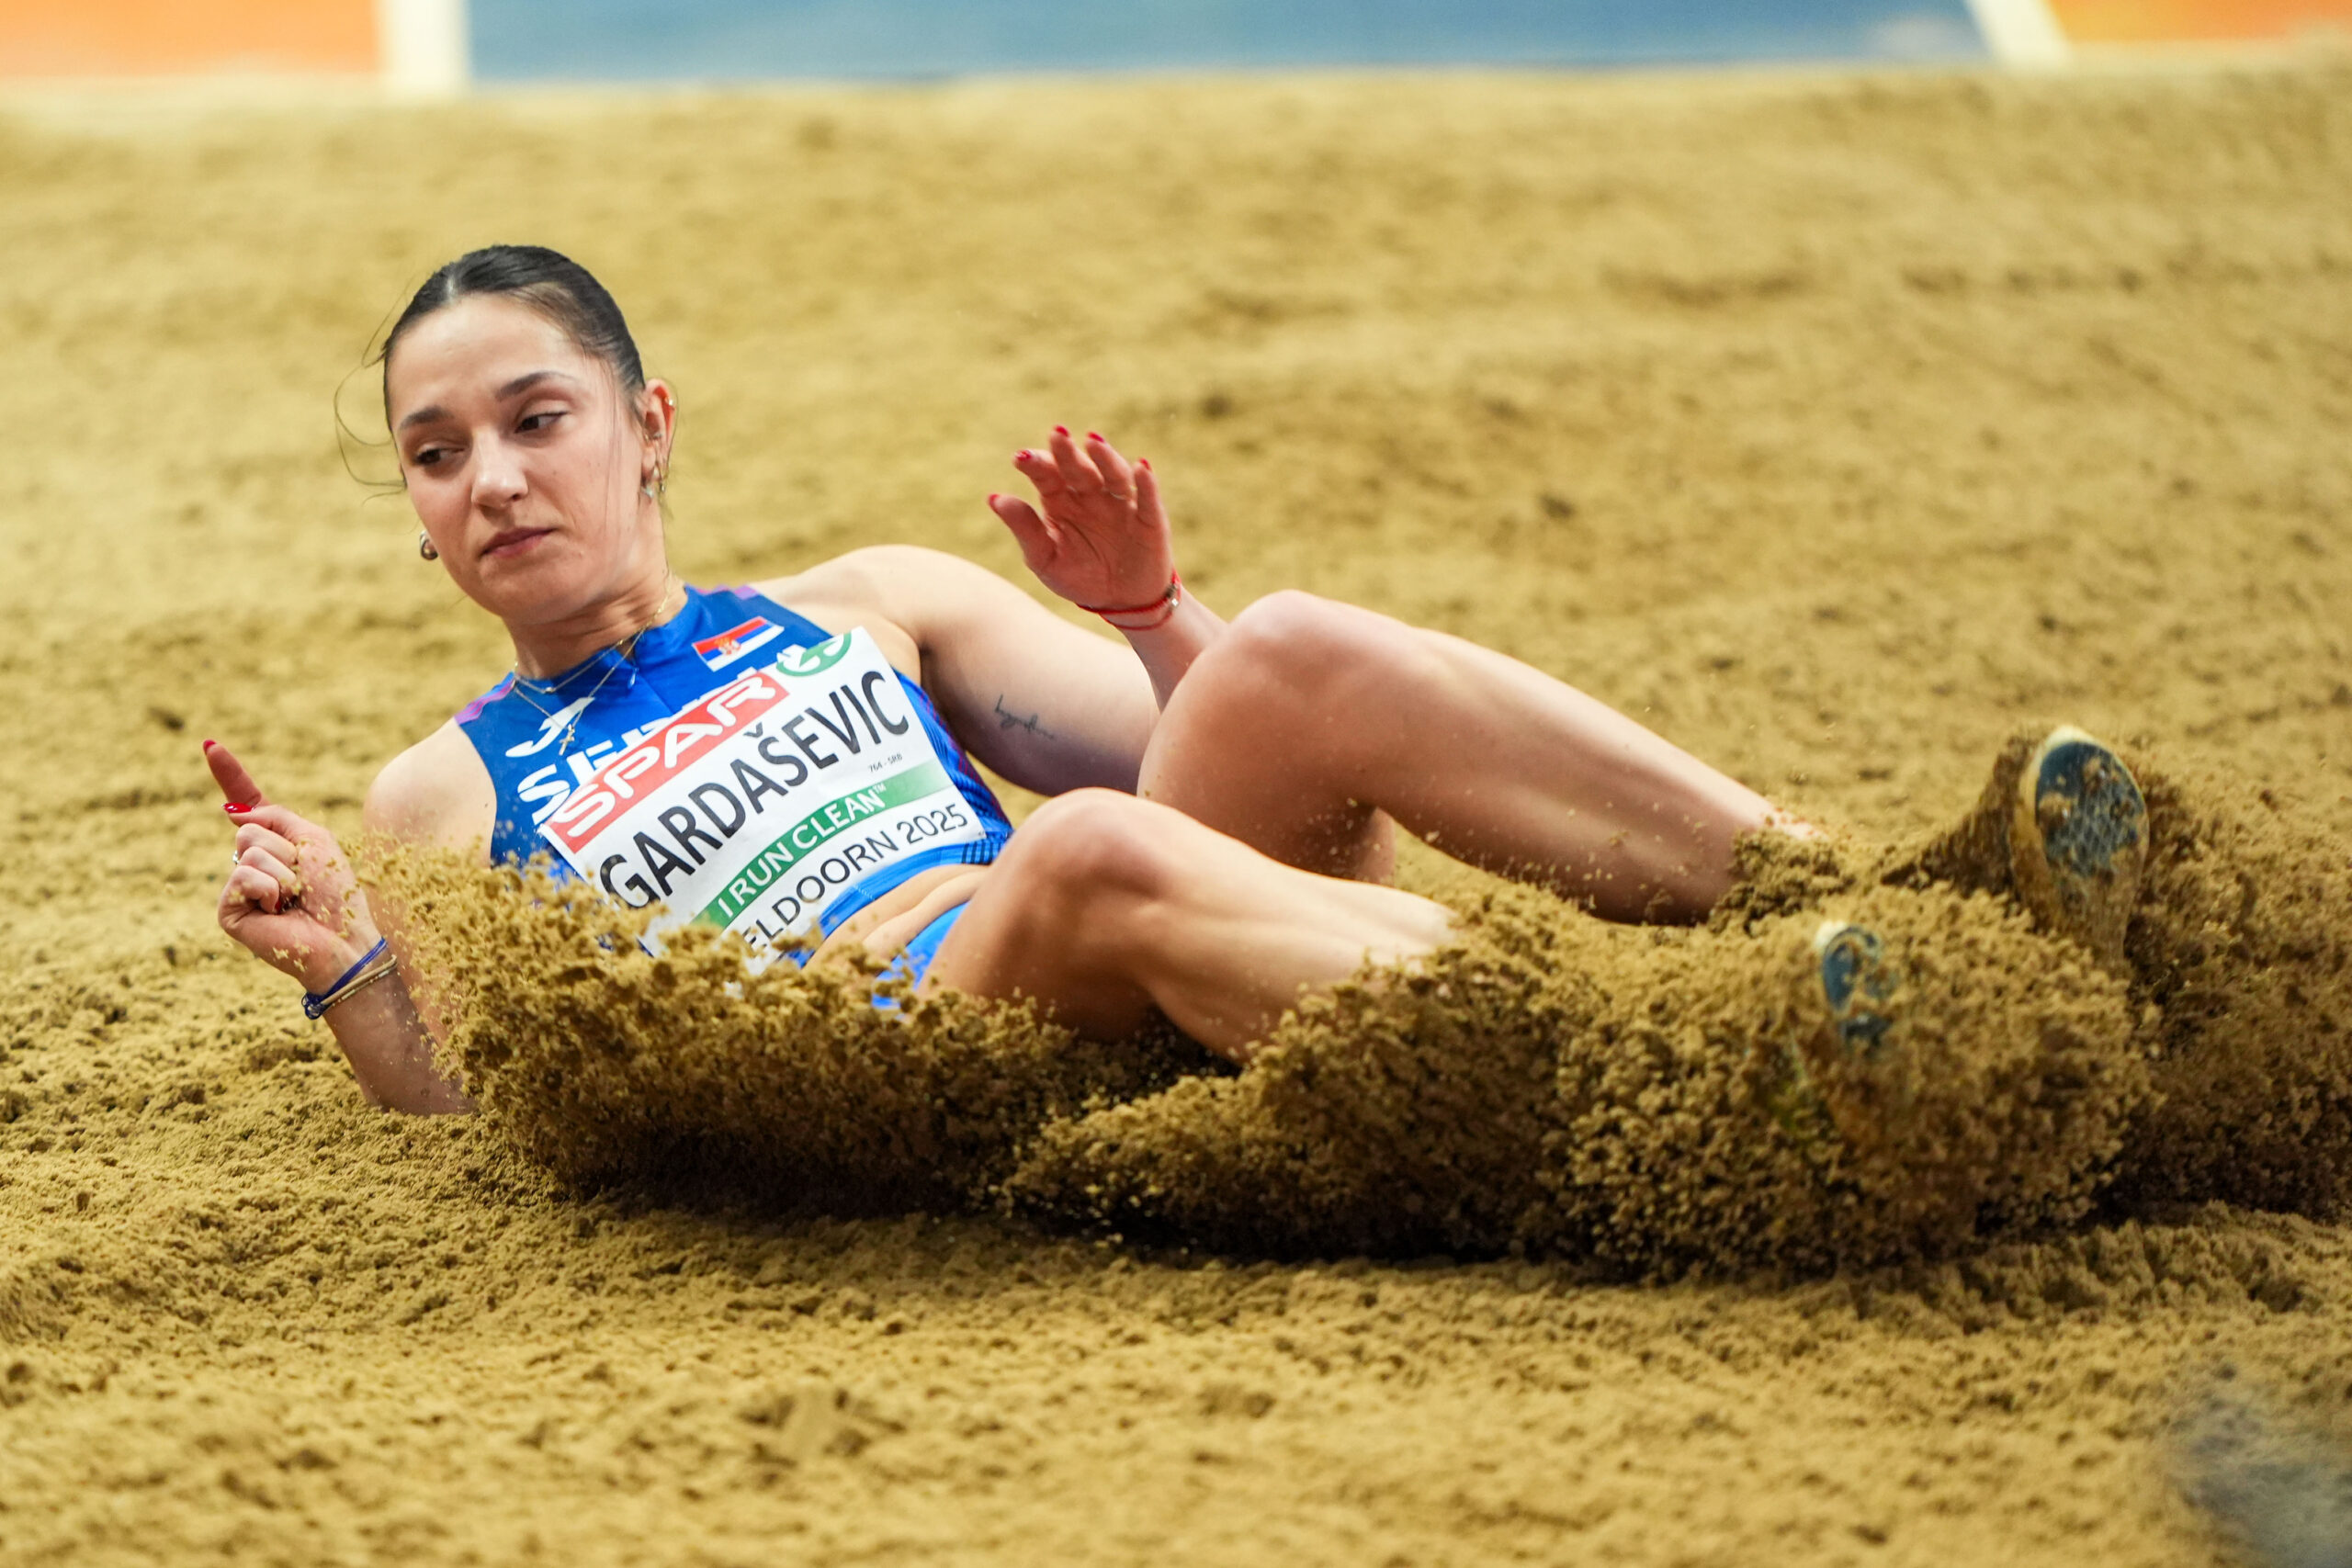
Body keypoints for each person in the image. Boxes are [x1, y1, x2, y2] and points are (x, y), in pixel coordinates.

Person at [209, 244, 2146, 1117]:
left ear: (645, 426)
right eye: (435, 451)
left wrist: (1153, 611)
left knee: (1283, 647)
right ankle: (1714, 1053)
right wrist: (352, 966)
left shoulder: (862, 598)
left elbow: (1279, 789)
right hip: (912, 1060)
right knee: (1075, 865)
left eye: (533, 417)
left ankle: (1874, 901)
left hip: (1153, 934)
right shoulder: (441, 789)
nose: (494, 478)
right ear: (417, 510)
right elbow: (463, 1093)